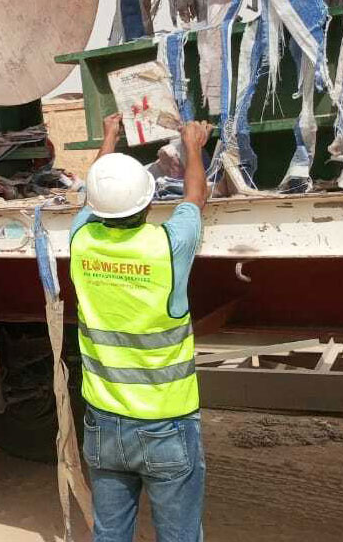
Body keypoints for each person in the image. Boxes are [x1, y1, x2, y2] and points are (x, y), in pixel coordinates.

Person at [69, 113, 213, 542]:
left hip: (103, 424)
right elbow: (195, 196)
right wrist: (193, 146)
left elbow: (94, 197)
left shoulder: (81, 240)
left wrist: (109, 136)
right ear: (149, 203)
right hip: (165, 425)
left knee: (110, 533)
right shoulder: (169, 245)